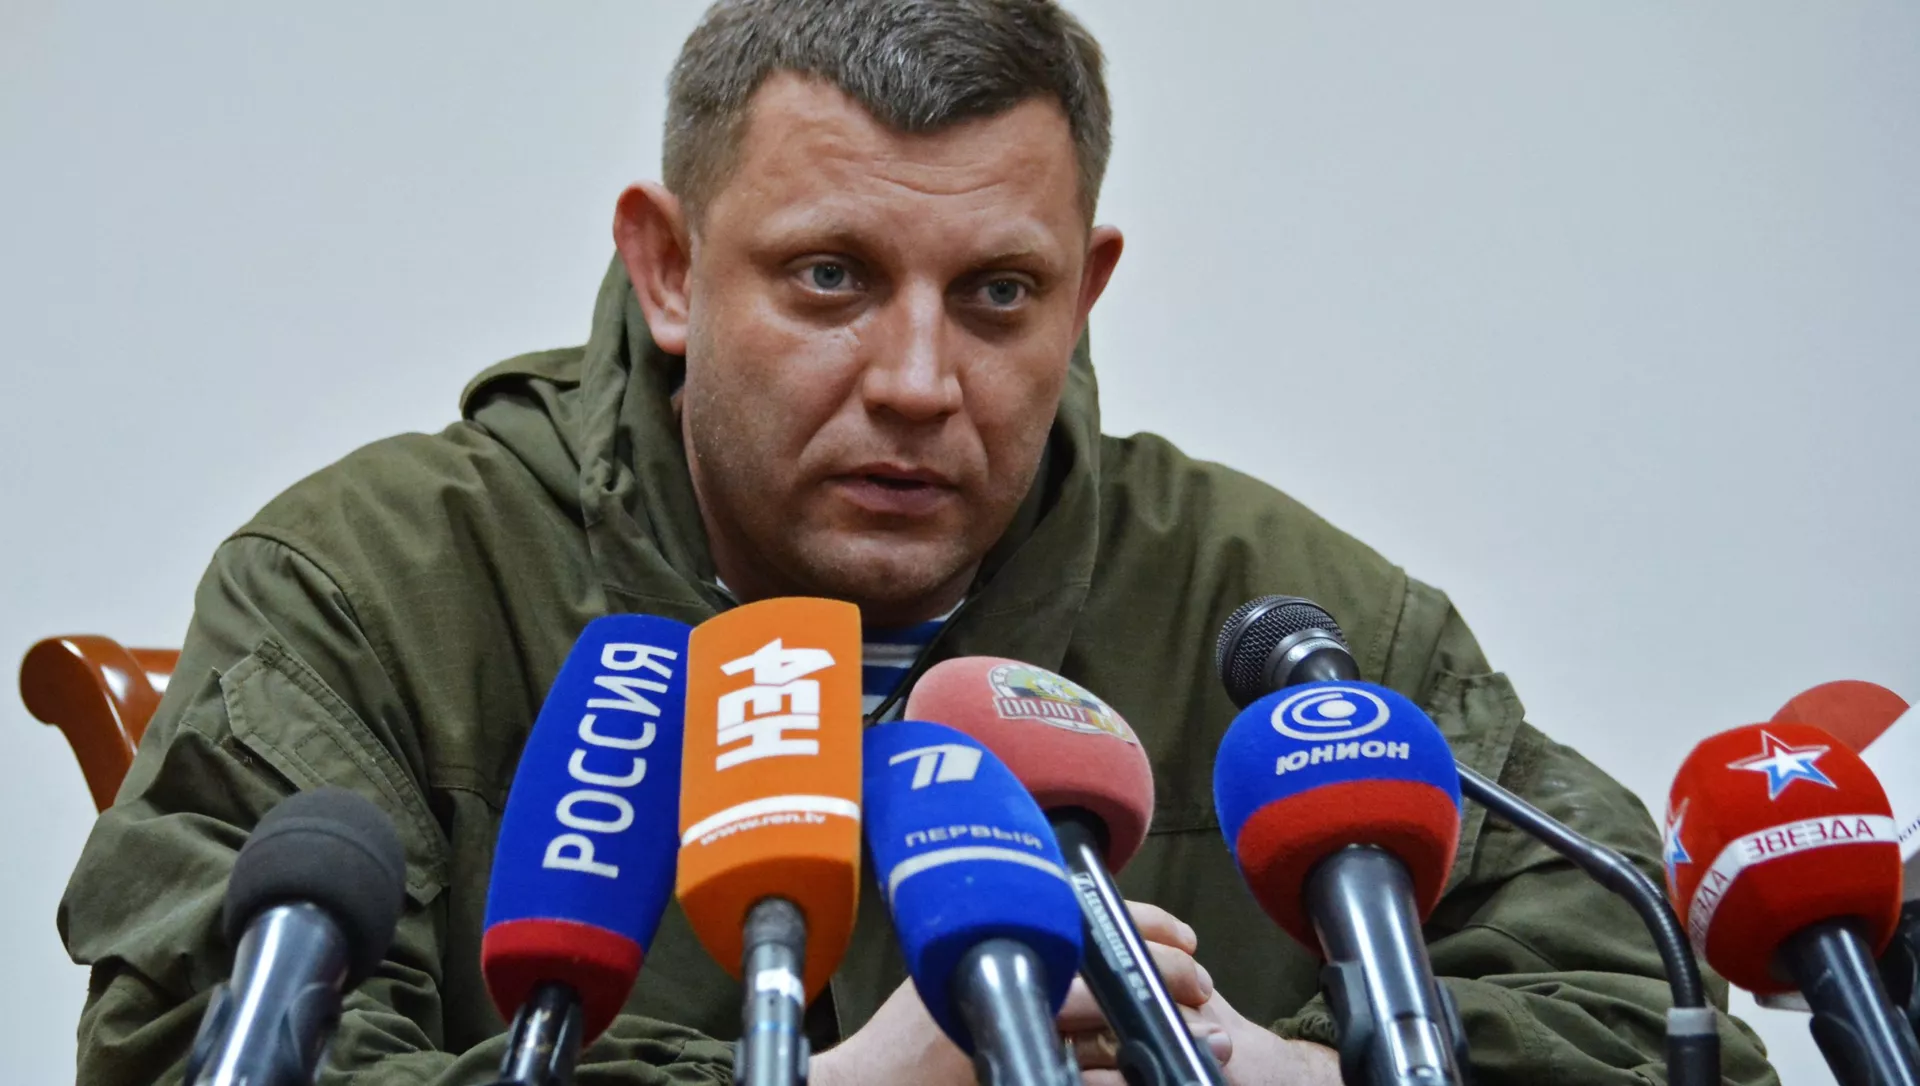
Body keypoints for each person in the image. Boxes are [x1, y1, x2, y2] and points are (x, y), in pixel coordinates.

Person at [58, 2, 1779, 1084]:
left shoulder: (1294, 619)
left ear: (1086, 289)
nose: (916, 380)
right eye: (831, 277)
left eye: (1000, 293)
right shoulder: (371, 585)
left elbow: (1649, 1009)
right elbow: (202, 1056)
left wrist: (1281, 1065)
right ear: (670, 268)